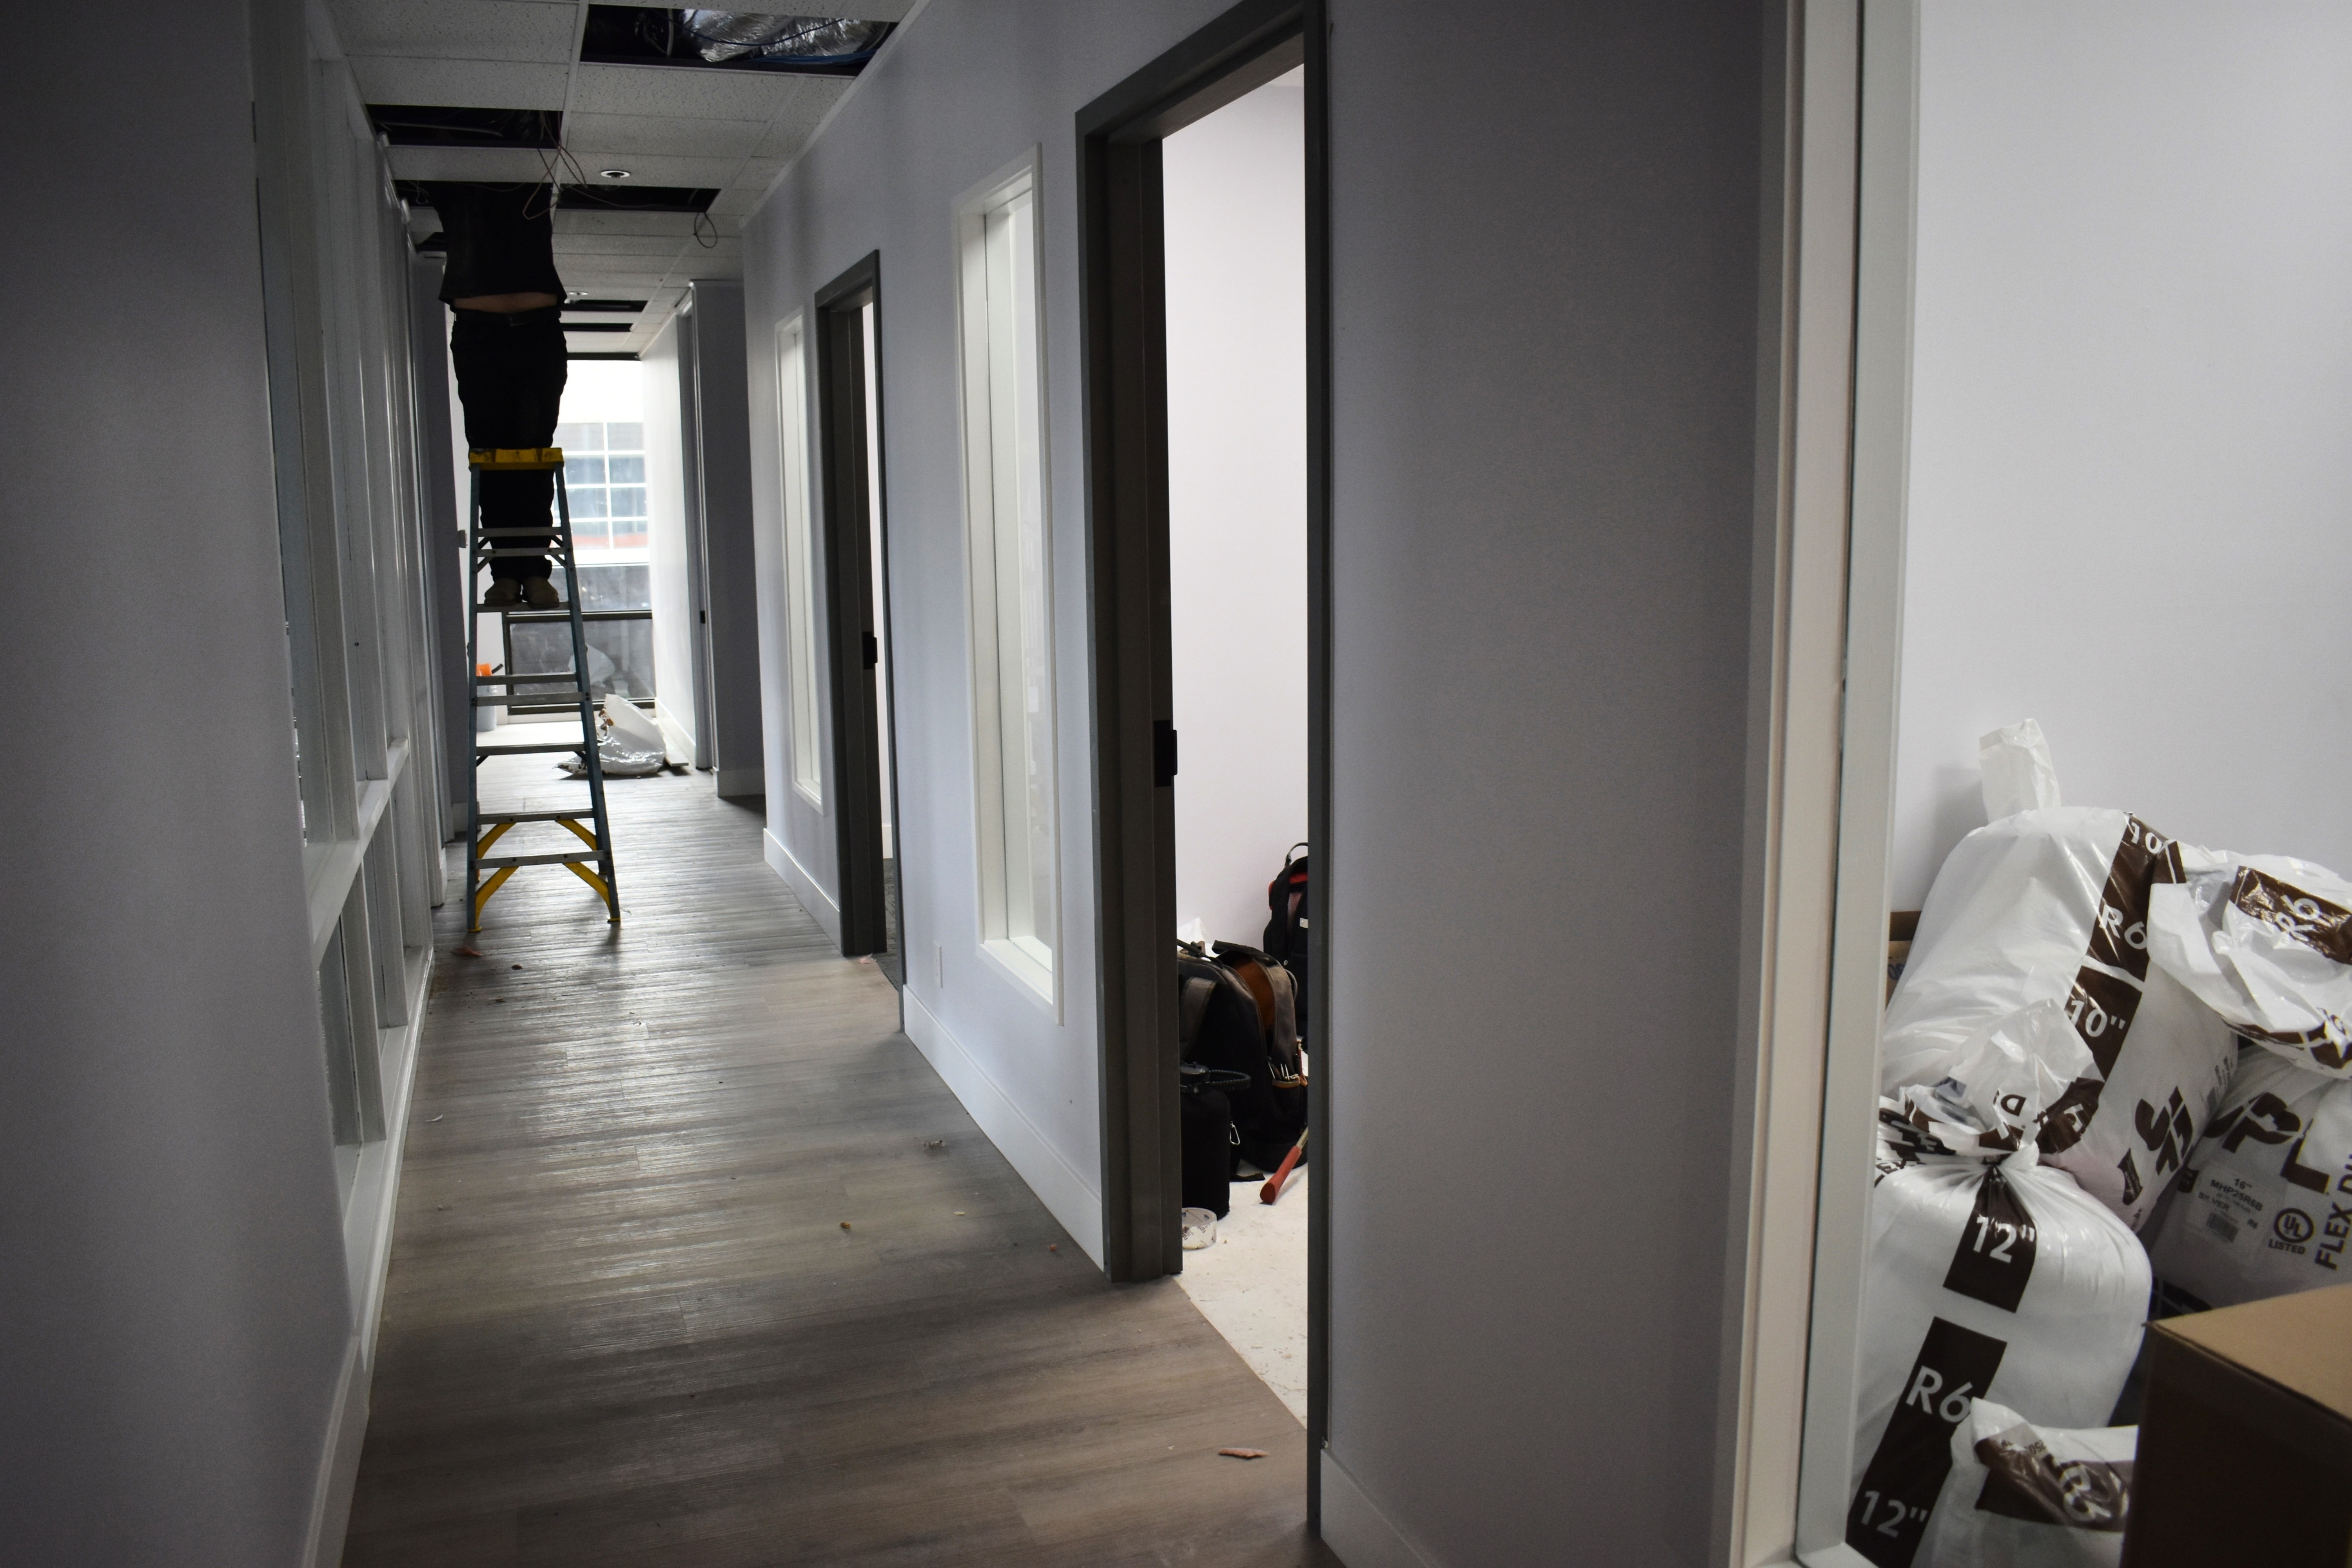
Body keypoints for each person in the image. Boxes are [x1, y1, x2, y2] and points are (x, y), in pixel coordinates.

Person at [424, 181, 569, 608]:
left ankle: (524, 571)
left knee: (525, 454)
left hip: (512, 327)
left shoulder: (515, 176)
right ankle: (513, 572)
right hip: (500, 328)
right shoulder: (498, 176)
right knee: (503, 455)